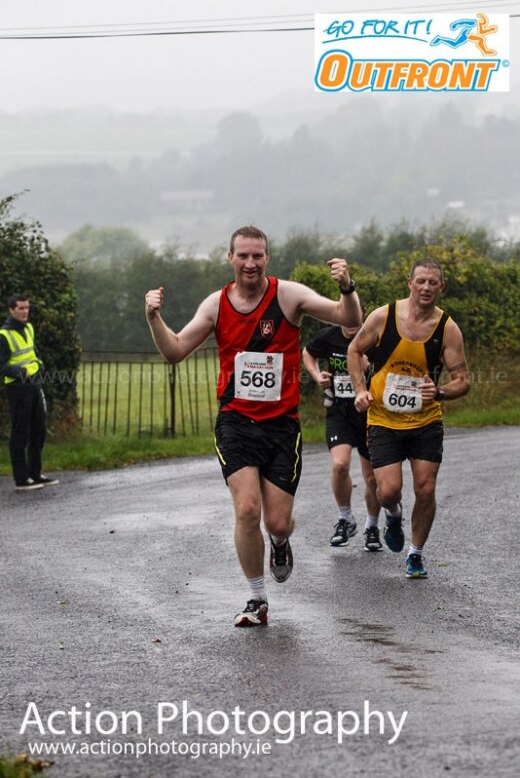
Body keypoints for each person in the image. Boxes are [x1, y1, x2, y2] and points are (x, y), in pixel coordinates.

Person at [145, 225, 362, 627]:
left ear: (267, 258)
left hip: (282, 426)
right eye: (242, 256)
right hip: (235, 422)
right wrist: (153, 317)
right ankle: (256, 598)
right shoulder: (216, 305)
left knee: (276, 522)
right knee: (247, 509)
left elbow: (348, 317)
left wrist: (347, 287)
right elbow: (175, 350)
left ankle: (280, 543)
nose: (250, 263)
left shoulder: (288, 296)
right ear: (230, 258)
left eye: (257, 256)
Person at [347, 259, 470, 579]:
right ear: (410, 283)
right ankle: (393, 514)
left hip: (425, 422)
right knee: (387, 491)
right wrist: (360, 389)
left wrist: (440, 392)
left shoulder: (447, 329)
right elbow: (354, 350)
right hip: (383, 420)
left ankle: (415, 555)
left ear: (441, 287)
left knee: (426, 489)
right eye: (422, 281)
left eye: (434, 283)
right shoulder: (383, 316)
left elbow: (463, 380)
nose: (427, 287)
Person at [302, 321, 382, 552]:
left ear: (364, 318)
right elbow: (307, 353)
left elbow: (388, 368)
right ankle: (345, 519)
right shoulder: (329, 336)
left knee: (372, 478)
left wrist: (369, 369)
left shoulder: (373, 336)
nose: (349, 326)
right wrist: (318, 376)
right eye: (345, 320)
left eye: (355, 322)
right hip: (339, 411)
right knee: (339, 465)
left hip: (369, 414)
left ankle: (372, 526)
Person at [0, 294, 59, 491]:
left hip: (34, 384)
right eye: (21, 308)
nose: (25, 311)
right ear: (11, 310)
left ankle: (35, 473)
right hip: (17, 388)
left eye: (27, 308)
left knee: (39, 430)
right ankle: (21, 479)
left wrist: (39, 365)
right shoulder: (4, 334)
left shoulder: (29, 328)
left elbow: (32, 352)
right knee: (20, 432)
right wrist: (20, 372)